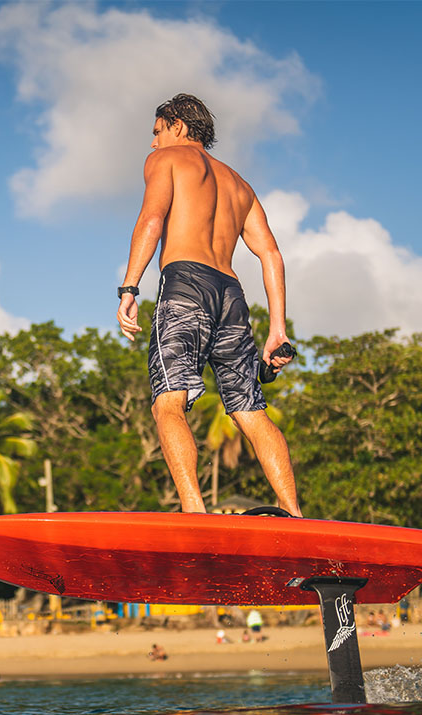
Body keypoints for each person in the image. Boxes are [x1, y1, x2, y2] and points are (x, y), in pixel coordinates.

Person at [117, 93, 300, 516]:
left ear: (178, 125)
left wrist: (129, 287)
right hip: (232, 295)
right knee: (251, 412)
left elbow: (151, 219)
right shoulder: (239, 184)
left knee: (169, 402)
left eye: (157, 132)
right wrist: (278, 330)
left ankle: (194, 512)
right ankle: (294, 514)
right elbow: (271, 254)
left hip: (186, 284)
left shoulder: (167, 160)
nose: (153, 143)